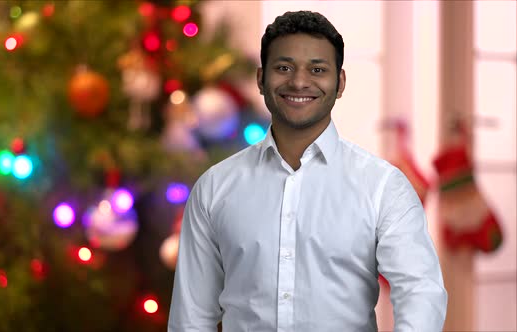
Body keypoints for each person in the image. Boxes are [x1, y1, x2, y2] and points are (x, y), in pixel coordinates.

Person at [168, 10, 447, 331]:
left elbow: (420, 290)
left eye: (317, 69)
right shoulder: (214, 187)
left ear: (340, 82)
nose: (299, 81)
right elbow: (192, 318)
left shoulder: (383, 186)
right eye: (284, 67)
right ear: (261, 78)